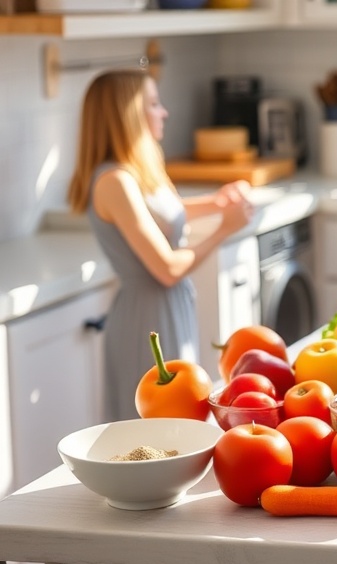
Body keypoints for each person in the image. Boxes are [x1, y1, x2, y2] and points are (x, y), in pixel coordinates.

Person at [67, 69, 254, 422]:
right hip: (146, 318)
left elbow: (165, 214)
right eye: (153, 103)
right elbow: (167, 269)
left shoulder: (139, 166)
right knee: (159, 427)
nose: (163, 111)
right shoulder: (114, 181)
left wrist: (215, 202)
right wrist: (223, 230)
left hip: (169, 307)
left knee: (179, 421)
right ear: (127, 115)